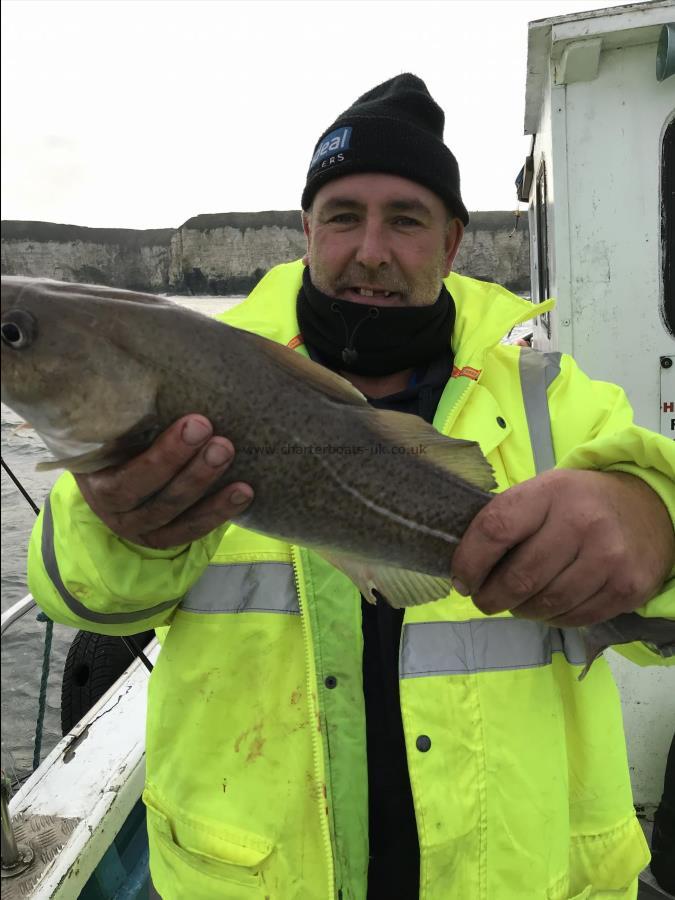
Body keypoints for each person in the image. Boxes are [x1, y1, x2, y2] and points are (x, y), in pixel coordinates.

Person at [27, 75, 674, 900]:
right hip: (261, 876)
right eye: (342, 217)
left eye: (405, 220)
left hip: (515, 871)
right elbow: (74, 595)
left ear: (450, 244)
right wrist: (122, 527)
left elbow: (662, 549)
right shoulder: (203, 369)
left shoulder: (552, 392)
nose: (370, 249)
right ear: (306, 230)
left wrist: (654, 519)